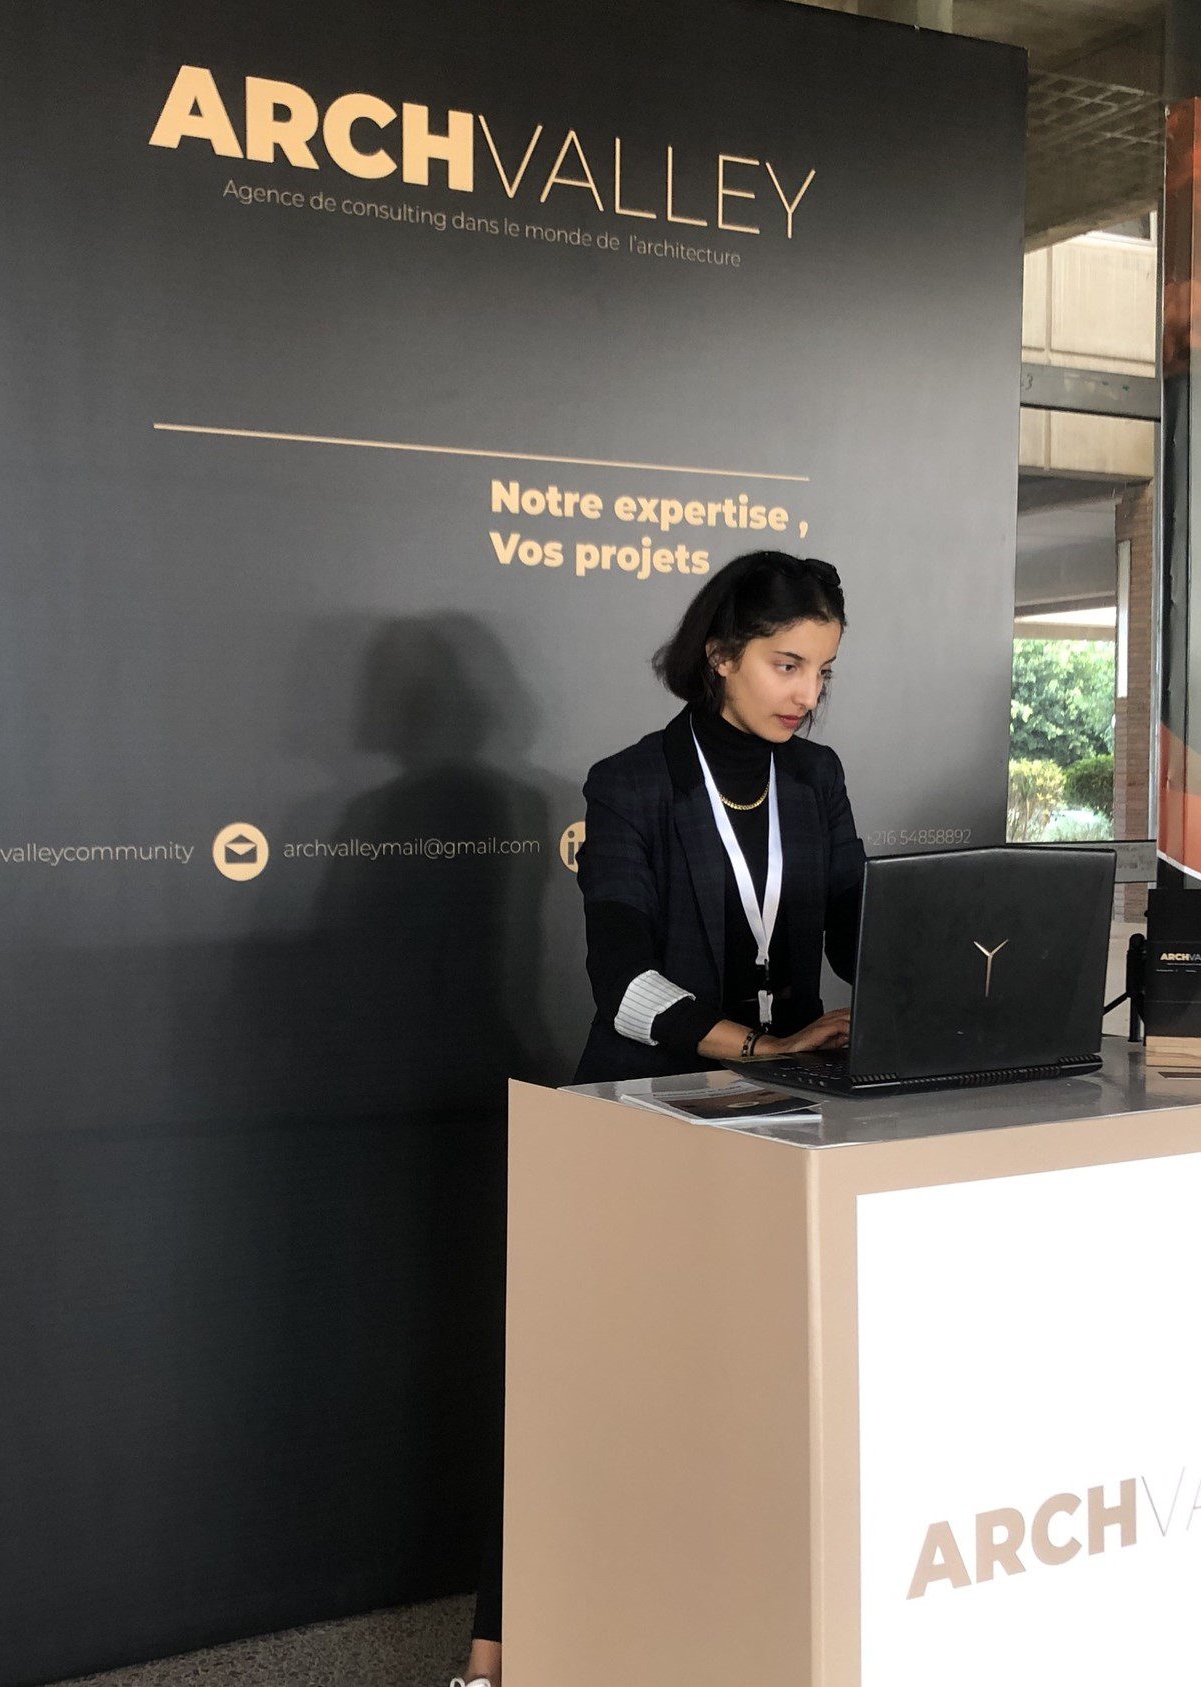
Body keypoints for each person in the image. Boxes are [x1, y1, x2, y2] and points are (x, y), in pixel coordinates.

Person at [453, 549, 865, 1687]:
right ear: (720, 655)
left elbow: (857, 932)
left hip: (783, 1120)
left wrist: (939, 970)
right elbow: (623, 984)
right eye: (786, 664)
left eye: (823, 671)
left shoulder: (816, 778)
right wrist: (764, 1045)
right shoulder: (631, 782)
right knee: (569, 1385)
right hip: (637, 1112)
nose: (805, 692)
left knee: (750, 1387)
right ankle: (492, 1653)